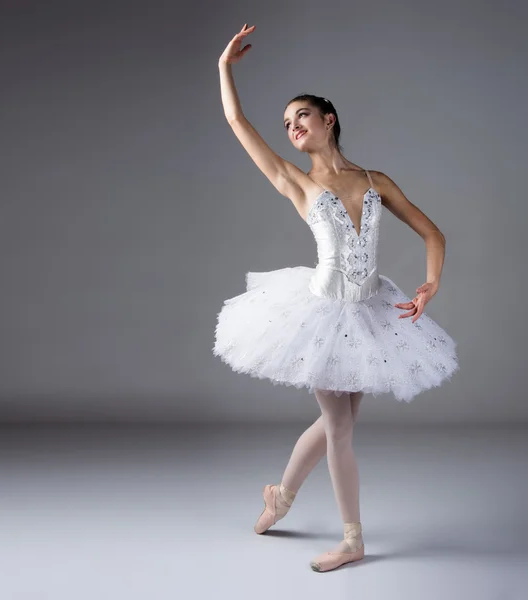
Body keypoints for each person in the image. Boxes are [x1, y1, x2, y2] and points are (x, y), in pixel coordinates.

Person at [213, 24, 459, 572]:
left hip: (370, 311)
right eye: (285, 124)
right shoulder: (296, 182)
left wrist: (430, 282)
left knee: (333, 423)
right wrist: (224, 69)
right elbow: (236, 121)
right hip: (321, 312)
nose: (292, 127)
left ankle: (280, 496)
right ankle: (353, 540)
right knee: (341, 426)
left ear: (328, 120)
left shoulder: (376, 181)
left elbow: (433, 233)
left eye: (301, 115)